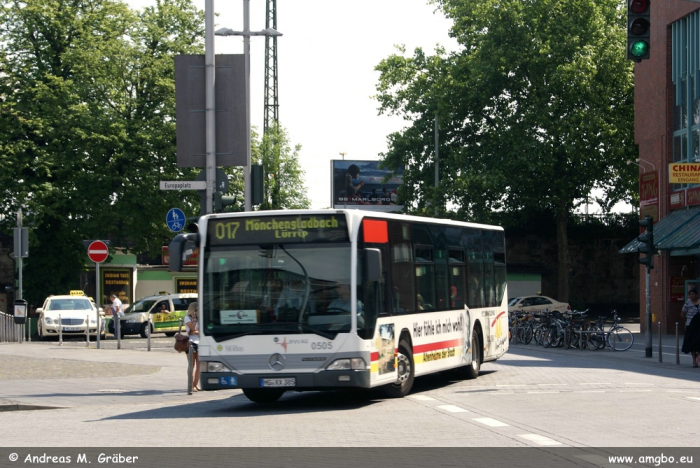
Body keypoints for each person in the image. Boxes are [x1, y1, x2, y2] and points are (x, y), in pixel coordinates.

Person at [681, 289, 700, 367]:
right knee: (692, 343)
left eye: (693, 294)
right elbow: (683, 313)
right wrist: (687, 321)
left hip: (699, 325)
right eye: (690, 294)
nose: (691, 296)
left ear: (696, 295)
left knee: (698, 342)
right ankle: (694, 361)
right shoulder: (687, 303)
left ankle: (698, 357)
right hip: (690, 325)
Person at [184, 302, 200, 391]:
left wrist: (196, 331)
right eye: (196, 310)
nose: (197, 312)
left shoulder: (199, 318)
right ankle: (190, 384)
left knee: (199, 365)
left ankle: (195, 384)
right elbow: (192, 330)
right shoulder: (187, 318)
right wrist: (194, 319)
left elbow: (200, 330)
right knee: (192, 364)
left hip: (199, 342)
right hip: (191, 342)